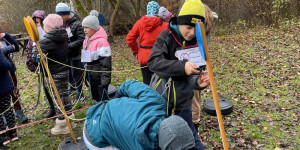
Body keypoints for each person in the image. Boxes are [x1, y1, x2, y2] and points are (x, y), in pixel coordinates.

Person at [147, 0, 210, 149]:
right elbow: (154, 62)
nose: (192, 33)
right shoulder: (166, 36)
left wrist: (197, 82)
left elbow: (195, 73)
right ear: (180, 22)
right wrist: (182, 67)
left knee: (191, 139)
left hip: (184, 101)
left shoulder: (199, 43)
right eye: (188, 27)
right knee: (160, 139)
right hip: (161, 99)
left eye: (196, 29)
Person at [84, 80, 196, 150]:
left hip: (99, 109)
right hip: (94, 135)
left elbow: (129, 84)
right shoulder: (140, 145)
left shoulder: (157, 102)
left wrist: (116, 102)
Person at [32, 14, 76, 135]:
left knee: (57, 98)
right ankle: (70, 119)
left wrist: (35, 48)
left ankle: (62, 123)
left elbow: (35, 59)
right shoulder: (63, 36)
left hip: (53, 73)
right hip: (65, 71)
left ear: (49, 27)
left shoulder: (45, 40)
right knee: (64, 94)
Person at [126, 1, 168, 85]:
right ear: (157, 11)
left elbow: (130, 39)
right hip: (159, 57)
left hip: (144, 57)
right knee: (160, 83)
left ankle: (148, 97)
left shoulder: (139, 23)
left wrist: (136, 51)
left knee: (147, 82)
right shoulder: (165, 25)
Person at [192, 4, 218, 132]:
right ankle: (194, 120)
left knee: (194, 95)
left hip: (196, 61)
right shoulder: (206, 23)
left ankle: (194, 122)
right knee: (196, 95)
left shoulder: (201, 27)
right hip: (199, 61)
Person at [26, 10, 57, 119]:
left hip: (53, 68)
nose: (38, 25)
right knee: (46, 88)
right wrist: (33, 66)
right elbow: (30, 53)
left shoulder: (50, 33)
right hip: (41, 69)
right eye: (36, 22)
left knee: (56, 89)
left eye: (40, 22)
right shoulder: (32, 37)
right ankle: (52, 107)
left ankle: (59, 108)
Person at [56, 2, 85, 102]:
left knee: (77, 74)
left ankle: (80, 93)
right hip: (66, 54)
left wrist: (69, 46)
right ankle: (73, 88)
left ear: (66, 14)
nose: (60, 18)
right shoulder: (62, 24)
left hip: (76, 54)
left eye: (61, 16)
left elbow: (81, 39)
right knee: (69, 73)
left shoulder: (77, 24)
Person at [81, 14, 112, 102]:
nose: (84, 30)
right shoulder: (86, 40)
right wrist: (85, 73)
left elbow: (106, 63)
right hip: (91, 75)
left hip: (99, 76)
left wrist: (105, 80)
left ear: (94, 28)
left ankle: (105, 112)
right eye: (84, 27)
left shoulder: (102, 42)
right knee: (95, 97)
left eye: (87, 27)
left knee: (102, 98)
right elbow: (85, 58)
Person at [0, 32, 28, 124]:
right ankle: (5, 118)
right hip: (2, 73)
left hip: (9, 71)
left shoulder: (3, 39)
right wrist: (6, 49)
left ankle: (18, 111)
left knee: (14, 91)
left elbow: (16, 47)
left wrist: (6, 35)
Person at [0, 43, 18, 149]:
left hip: (3, 85)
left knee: (4, 109)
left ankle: (5, 135)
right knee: (7, 108)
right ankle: (11, 133)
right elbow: (7, 65)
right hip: (3, 84)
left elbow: (14, 47)